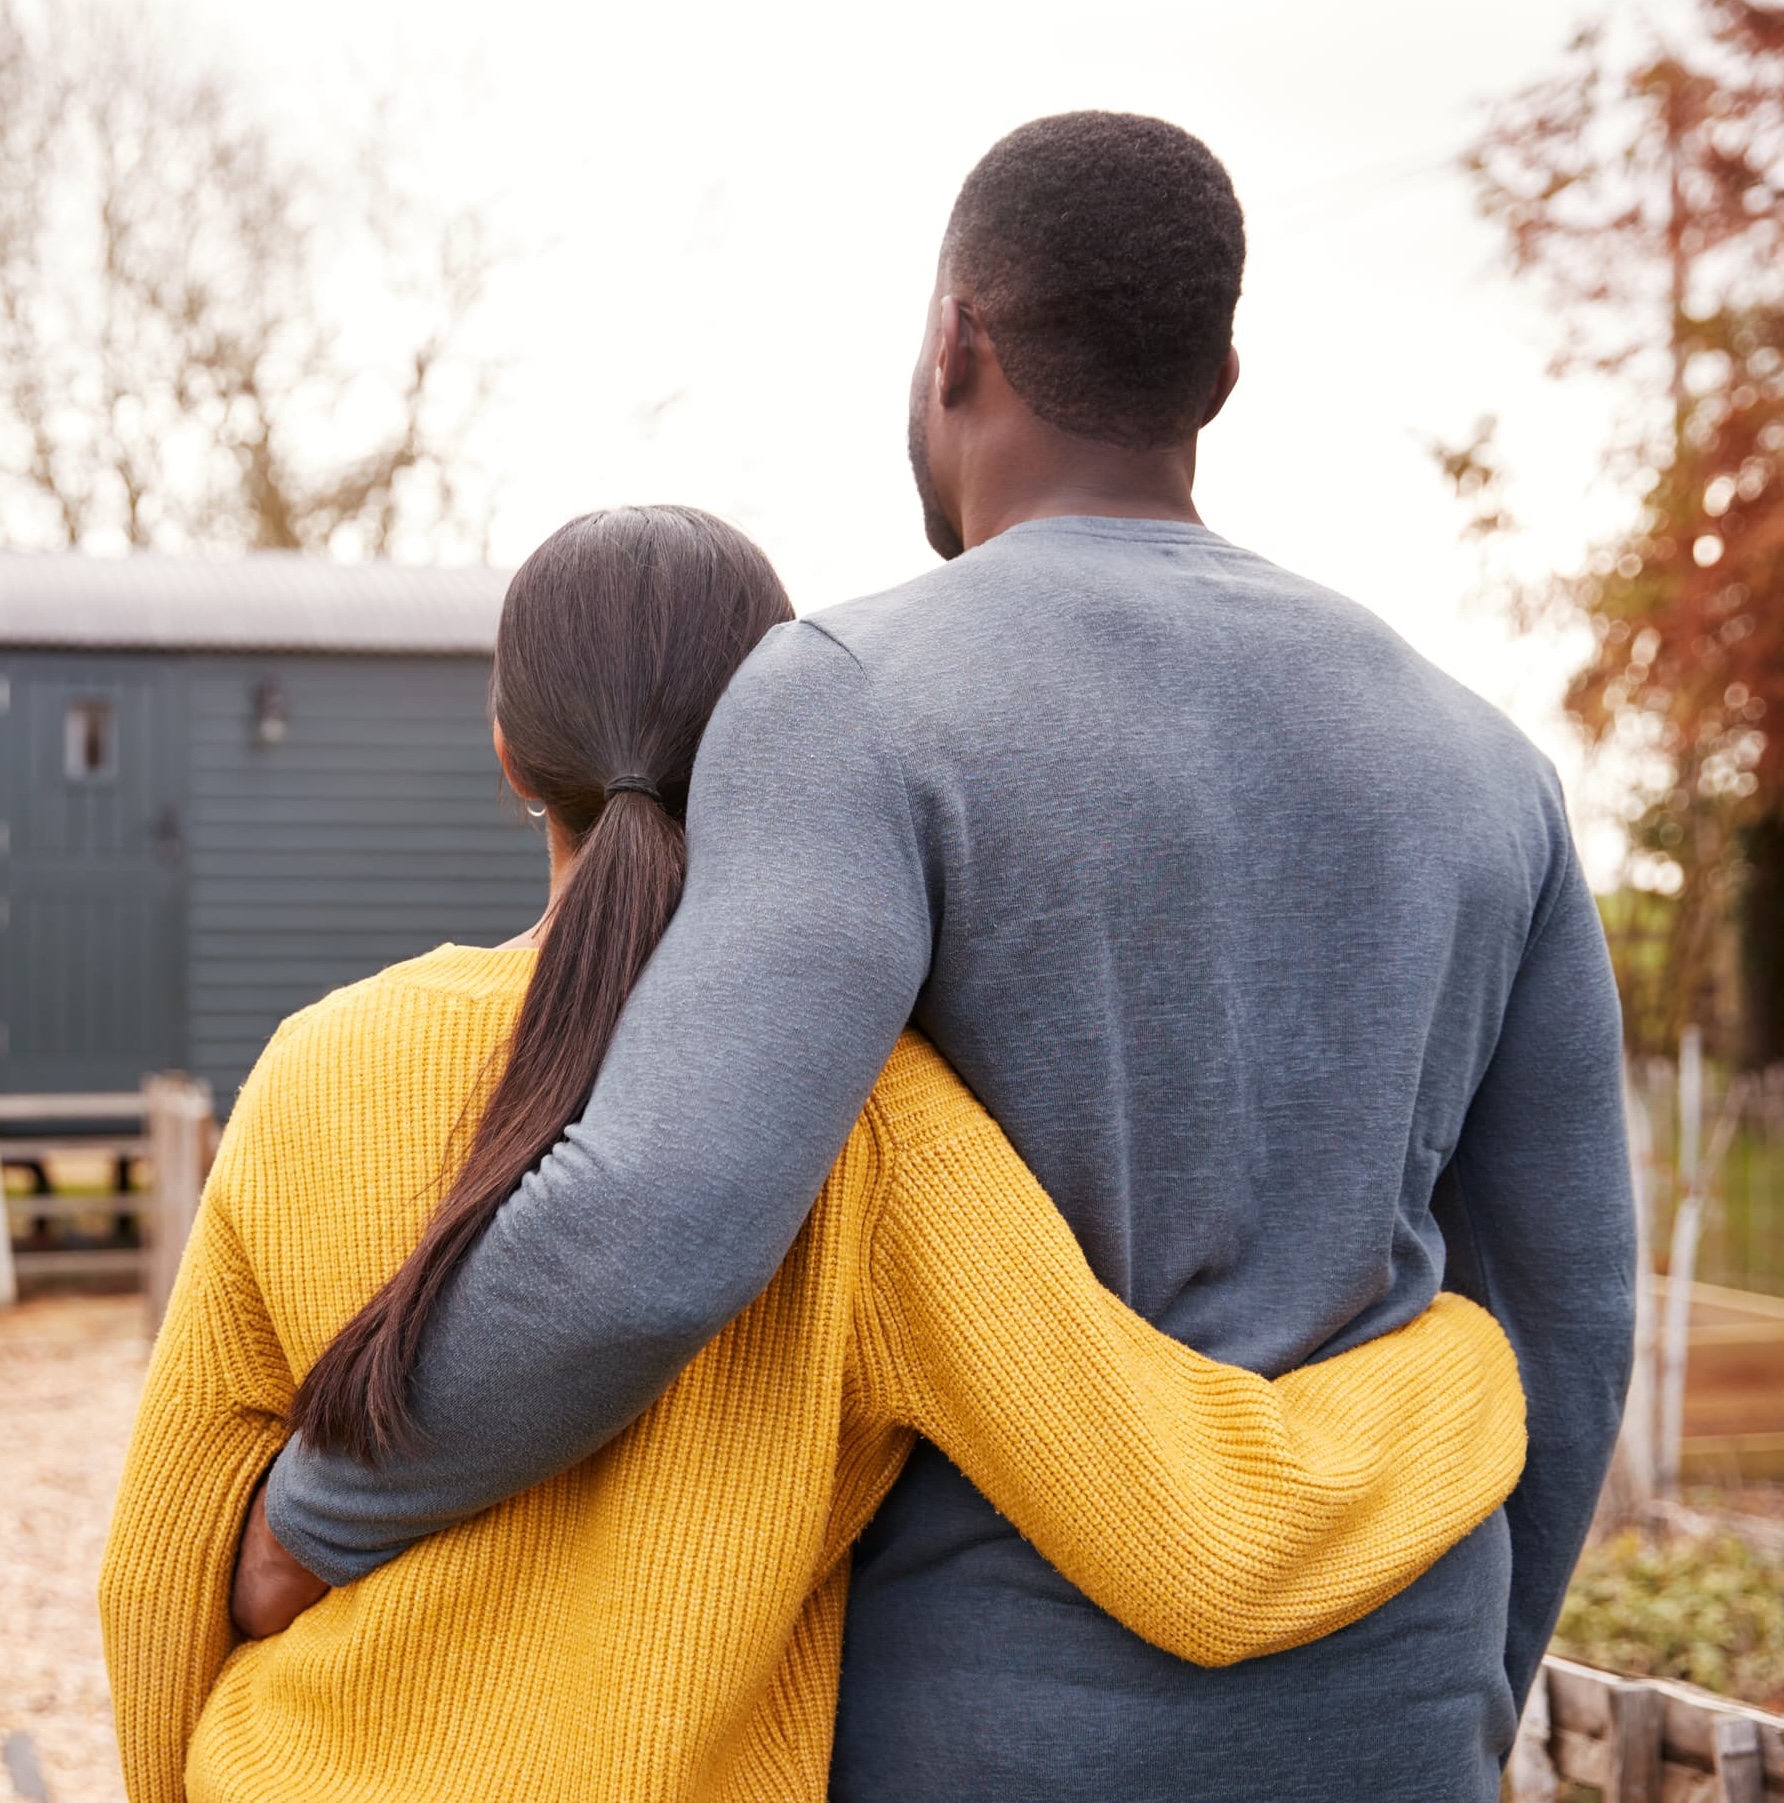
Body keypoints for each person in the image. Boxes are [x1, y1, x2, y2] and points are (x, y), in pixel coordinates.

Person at [242, 113, 1635, 1799]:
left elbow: (654, 1227)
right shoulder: (1492, 768)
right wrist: (1467, 1697)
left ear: (956, 339)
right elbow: (1568, 1319)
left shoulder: (853, 701)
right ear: (1218, 378)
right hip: (1395, 1715)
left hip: (994, 1735)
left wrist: (321, 1516)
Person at [100, 506, 1526, 1803]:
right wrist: (1466, 1362)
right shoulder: (865, 1124)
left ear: (508, 760)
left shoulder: (318, 1066)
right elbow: (1202, 1540)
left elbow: (161, 1564)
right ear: (766, 753)